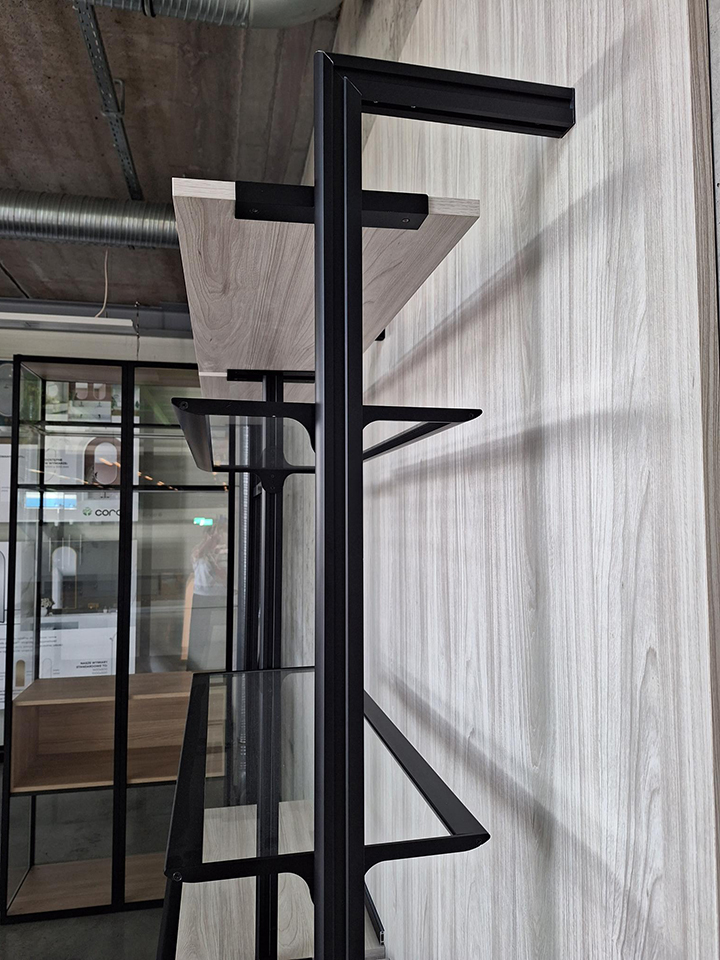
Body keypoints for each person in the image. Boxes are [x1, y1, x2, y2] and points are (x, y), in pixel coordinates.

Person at [187, 518, 227, 671]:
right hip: (202, 597)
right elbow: (197, 554)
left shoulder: (219, 553)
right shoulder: (200, 552)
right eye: (214, 537)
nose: (217, 540)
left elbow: (223, 577)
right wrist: (209, 540)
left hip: (217, 596)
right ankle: (195, 669)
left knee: (214, 633)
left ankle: (210, 666)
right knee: (199, 635)